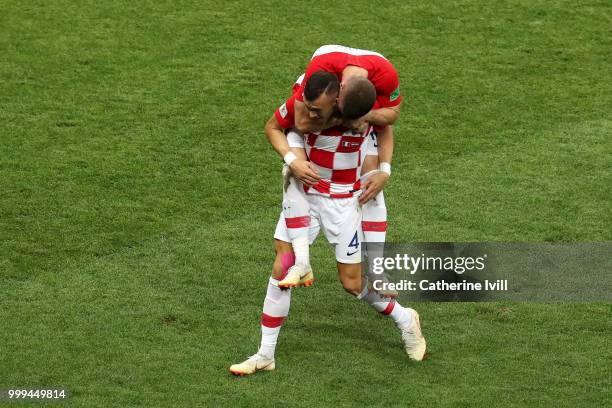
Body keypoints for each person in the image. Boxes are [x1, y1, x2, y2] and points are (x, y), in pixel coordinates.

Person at [229, 73, 426, 376]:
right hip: (306, 197)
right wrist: (293, 160)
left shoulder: (359, 111)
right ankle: (265, 353)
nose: (308, 115)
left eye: (316, 111)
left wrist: (383, 170)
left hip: (345, 203)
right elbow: (274, 127)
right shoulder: (305, 105)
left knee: (352, 283)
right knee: (282, 264)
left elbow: (385, 129)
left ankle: (404, 318)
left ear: (338, 101)